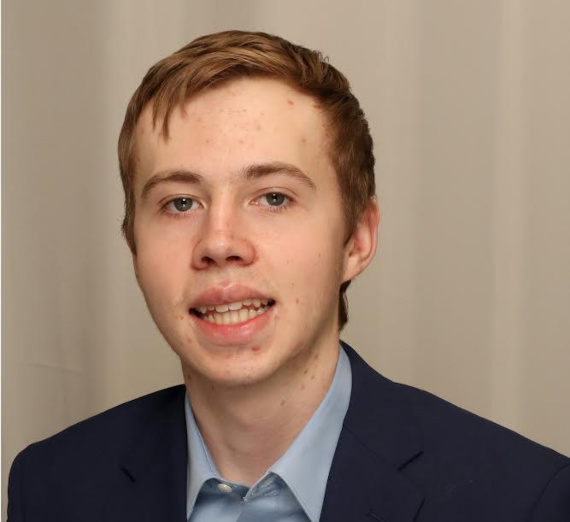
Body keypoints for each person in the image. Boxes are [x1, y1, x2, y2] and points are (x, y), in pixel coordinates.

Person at [7, 30, 570, 522]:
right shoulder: (51, 487)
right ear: (133, 244)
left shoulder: (525, 501)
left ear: (357, 239)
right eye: (180, 203)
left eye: (273, 197)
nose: (219, 242)